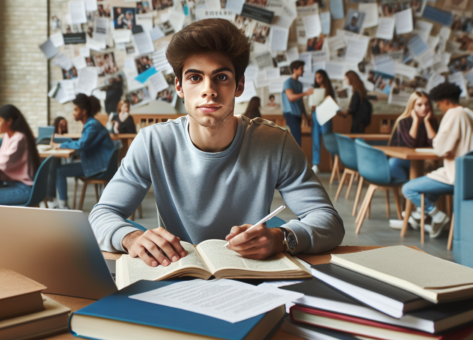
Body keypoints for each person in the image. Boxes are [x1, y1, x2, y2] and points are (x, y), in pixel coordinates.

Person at [89, 18, 344, 268]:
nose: (208, 90)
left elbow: (329, 221)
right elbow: (101, 215)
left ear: (239, 84)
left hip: (252, 278)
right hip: (177, 274)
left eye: (221, 77)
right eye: (195, 78)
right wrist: (130, 237)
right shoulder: (152, 142)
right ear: (179, 86)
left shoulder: (275, 143)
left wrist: (282, 238)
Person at [402, 83, 473, 238]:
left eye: (438, 104)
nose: (439, 108)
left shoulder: (453, 114)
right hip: (472, 174)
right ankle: (418, 216)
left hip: (457, 175)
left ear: (445, 101)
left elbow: (441, 149)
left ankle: (437, 216)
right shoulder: (471, 114)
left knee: (408, 189)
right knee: (430, 188)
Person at [52, 94, 115, 209]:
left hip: (100, 166)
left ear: (84, 111)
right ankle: (62, 204)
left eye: (76, 109)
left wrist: (60, 145)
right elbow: (83, 143)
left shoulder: (92, 125)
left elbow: (81, 144)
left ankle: (63, 206)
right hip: (98, 163)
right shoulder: (91, 124)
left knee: (60, 171)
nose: (73, 113)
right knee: (61, 169)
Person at [387, 91, 439, 181]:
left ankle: (419, 192)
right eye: (419, 105)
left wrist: (426, 122)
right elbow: (410, 143)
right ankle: (409, 190)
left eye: (426, 104)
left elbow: (436, 143)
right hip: (404, 159)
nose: (424, 108)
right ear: (412, 107)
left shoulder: (432, 122)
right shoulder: (403, 121)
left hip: (426, 160)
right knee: (393, 163)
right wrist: (415, 120)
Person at [282, 60, 314, 146]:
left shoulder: (300, 84)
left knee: (297, 140)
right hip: (290, 115)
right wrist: (306, 93)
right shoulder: (288, 82)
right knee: (296, 142)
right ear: (294, 69)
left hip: (298, 115)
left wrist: (306, 116)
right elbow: (291, 97)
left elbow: (300, 101)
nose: (303, 70)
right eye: (301, 68)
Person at [310, 70, 337, 173]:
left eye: (320, 77)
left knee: (328, 140)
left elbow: (333, 105)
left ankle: (335, 164)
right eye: (316, 77)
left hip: (325, 116)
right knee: (315, 140)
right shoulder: (314, 90)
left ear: (324, 78)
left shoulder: (328, 90)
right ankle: (315, 164)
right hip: (315, 115)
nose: (318, 79)